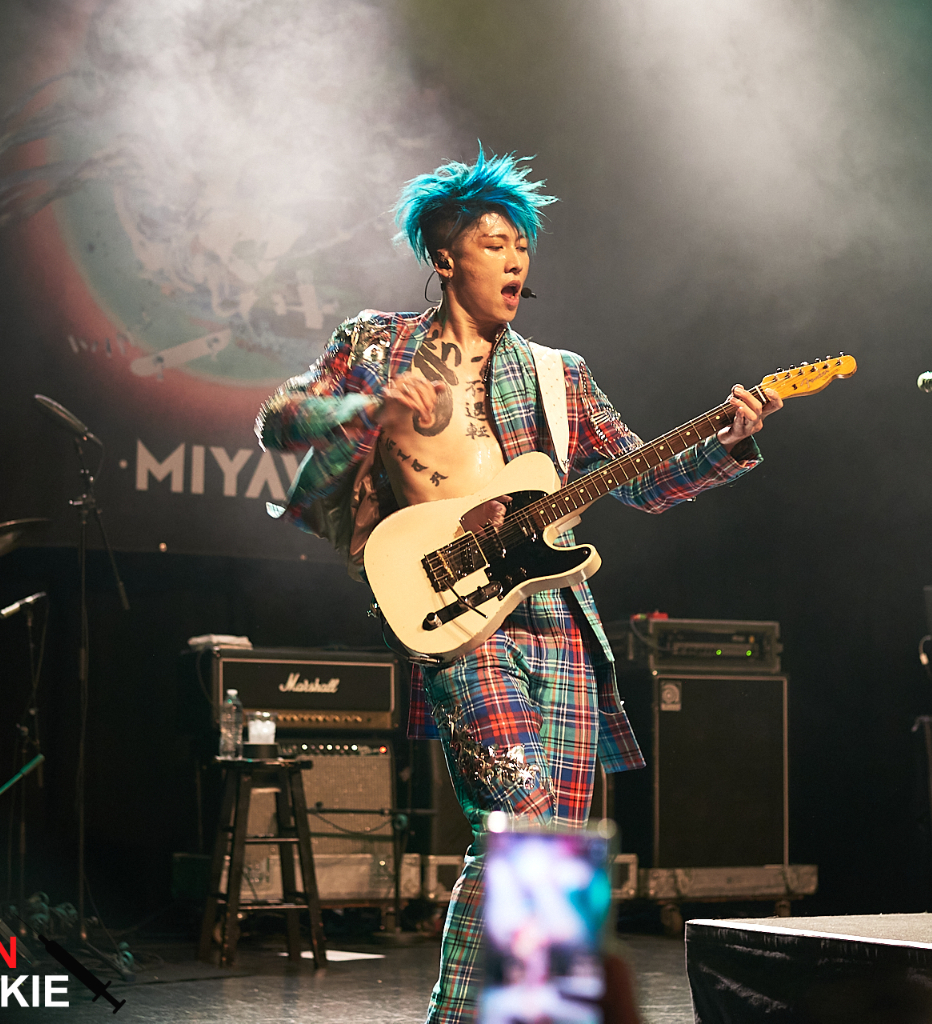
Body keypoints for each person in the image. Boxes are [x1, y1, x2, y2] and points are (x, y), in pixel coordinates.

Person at [255, 149, 782, 1023]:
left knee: (548, 851)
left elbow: (643, 476)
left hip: (560, 624)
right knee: (527, 826)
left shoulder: (557, 373)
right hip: (461, 624)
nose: (514, 260)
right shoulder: (379, 344)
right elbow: (278, 419)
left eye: (522, 246)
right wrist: (367, 409)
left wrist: (727, 443)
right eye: (494, 243)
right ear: (445, 256)